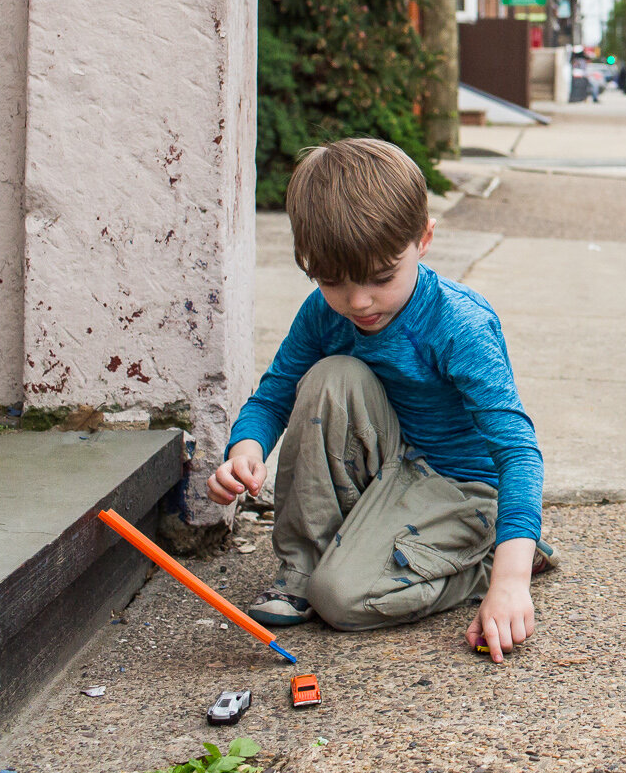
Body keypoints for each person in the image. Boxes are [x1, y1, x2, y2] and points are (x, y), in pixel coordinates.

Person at [206, 138, 552, 660]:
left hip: (462, 488)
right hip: (390, 467)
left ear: (424, 239)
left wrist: (510, 578)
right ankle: (300, 568)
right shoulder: (325, 313)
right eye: (332, 281)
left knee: (342, 599)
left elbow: (518, 451)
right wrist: (245, 450)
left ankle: (483, 560)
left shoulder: (459, 324)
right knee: (330, 376)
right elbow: (275, 393)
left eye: (381, 277)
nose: (359, 301)